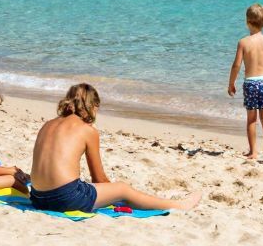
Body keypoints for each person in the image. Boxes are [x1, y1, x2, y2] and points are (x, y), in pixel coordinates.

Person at [28, 84, 197, 213]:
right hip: (65, 199)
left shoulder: (47, 124)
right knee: (122, 189)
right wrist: (115, 195)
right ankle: (178, 205)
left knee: (96, 188)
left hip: (37, 198)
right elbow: (99, 178)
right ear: (91, 106)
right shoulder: (87, 130)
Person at [227, 3, 263, 160]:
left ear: (247, 22)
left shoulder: (243, 42)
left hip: (250, 83)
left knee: (251, 119)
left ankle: (253, 152)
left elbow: (236, 65)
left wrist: (231, 83)